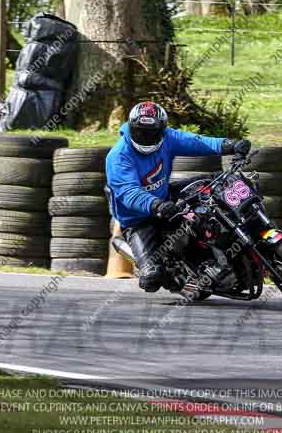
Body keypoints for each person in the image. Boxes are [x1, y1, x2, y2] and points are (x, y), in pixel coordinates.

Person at [106, 101, 251, 292]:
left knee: (214, 184)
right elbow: (129, 193)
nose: (146, 138)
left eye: (152, 133)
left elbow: (197, 142)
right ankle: (172, 275)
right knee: (151, 279)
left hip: (165, 197)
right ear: (131, 128)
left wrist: (230, 145)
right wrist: (157, 205)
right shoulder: (118, 156)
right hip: (138, 219)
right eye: (140, 132)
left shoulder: (168, 138)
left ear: (162, 130)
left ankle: (220, 250)